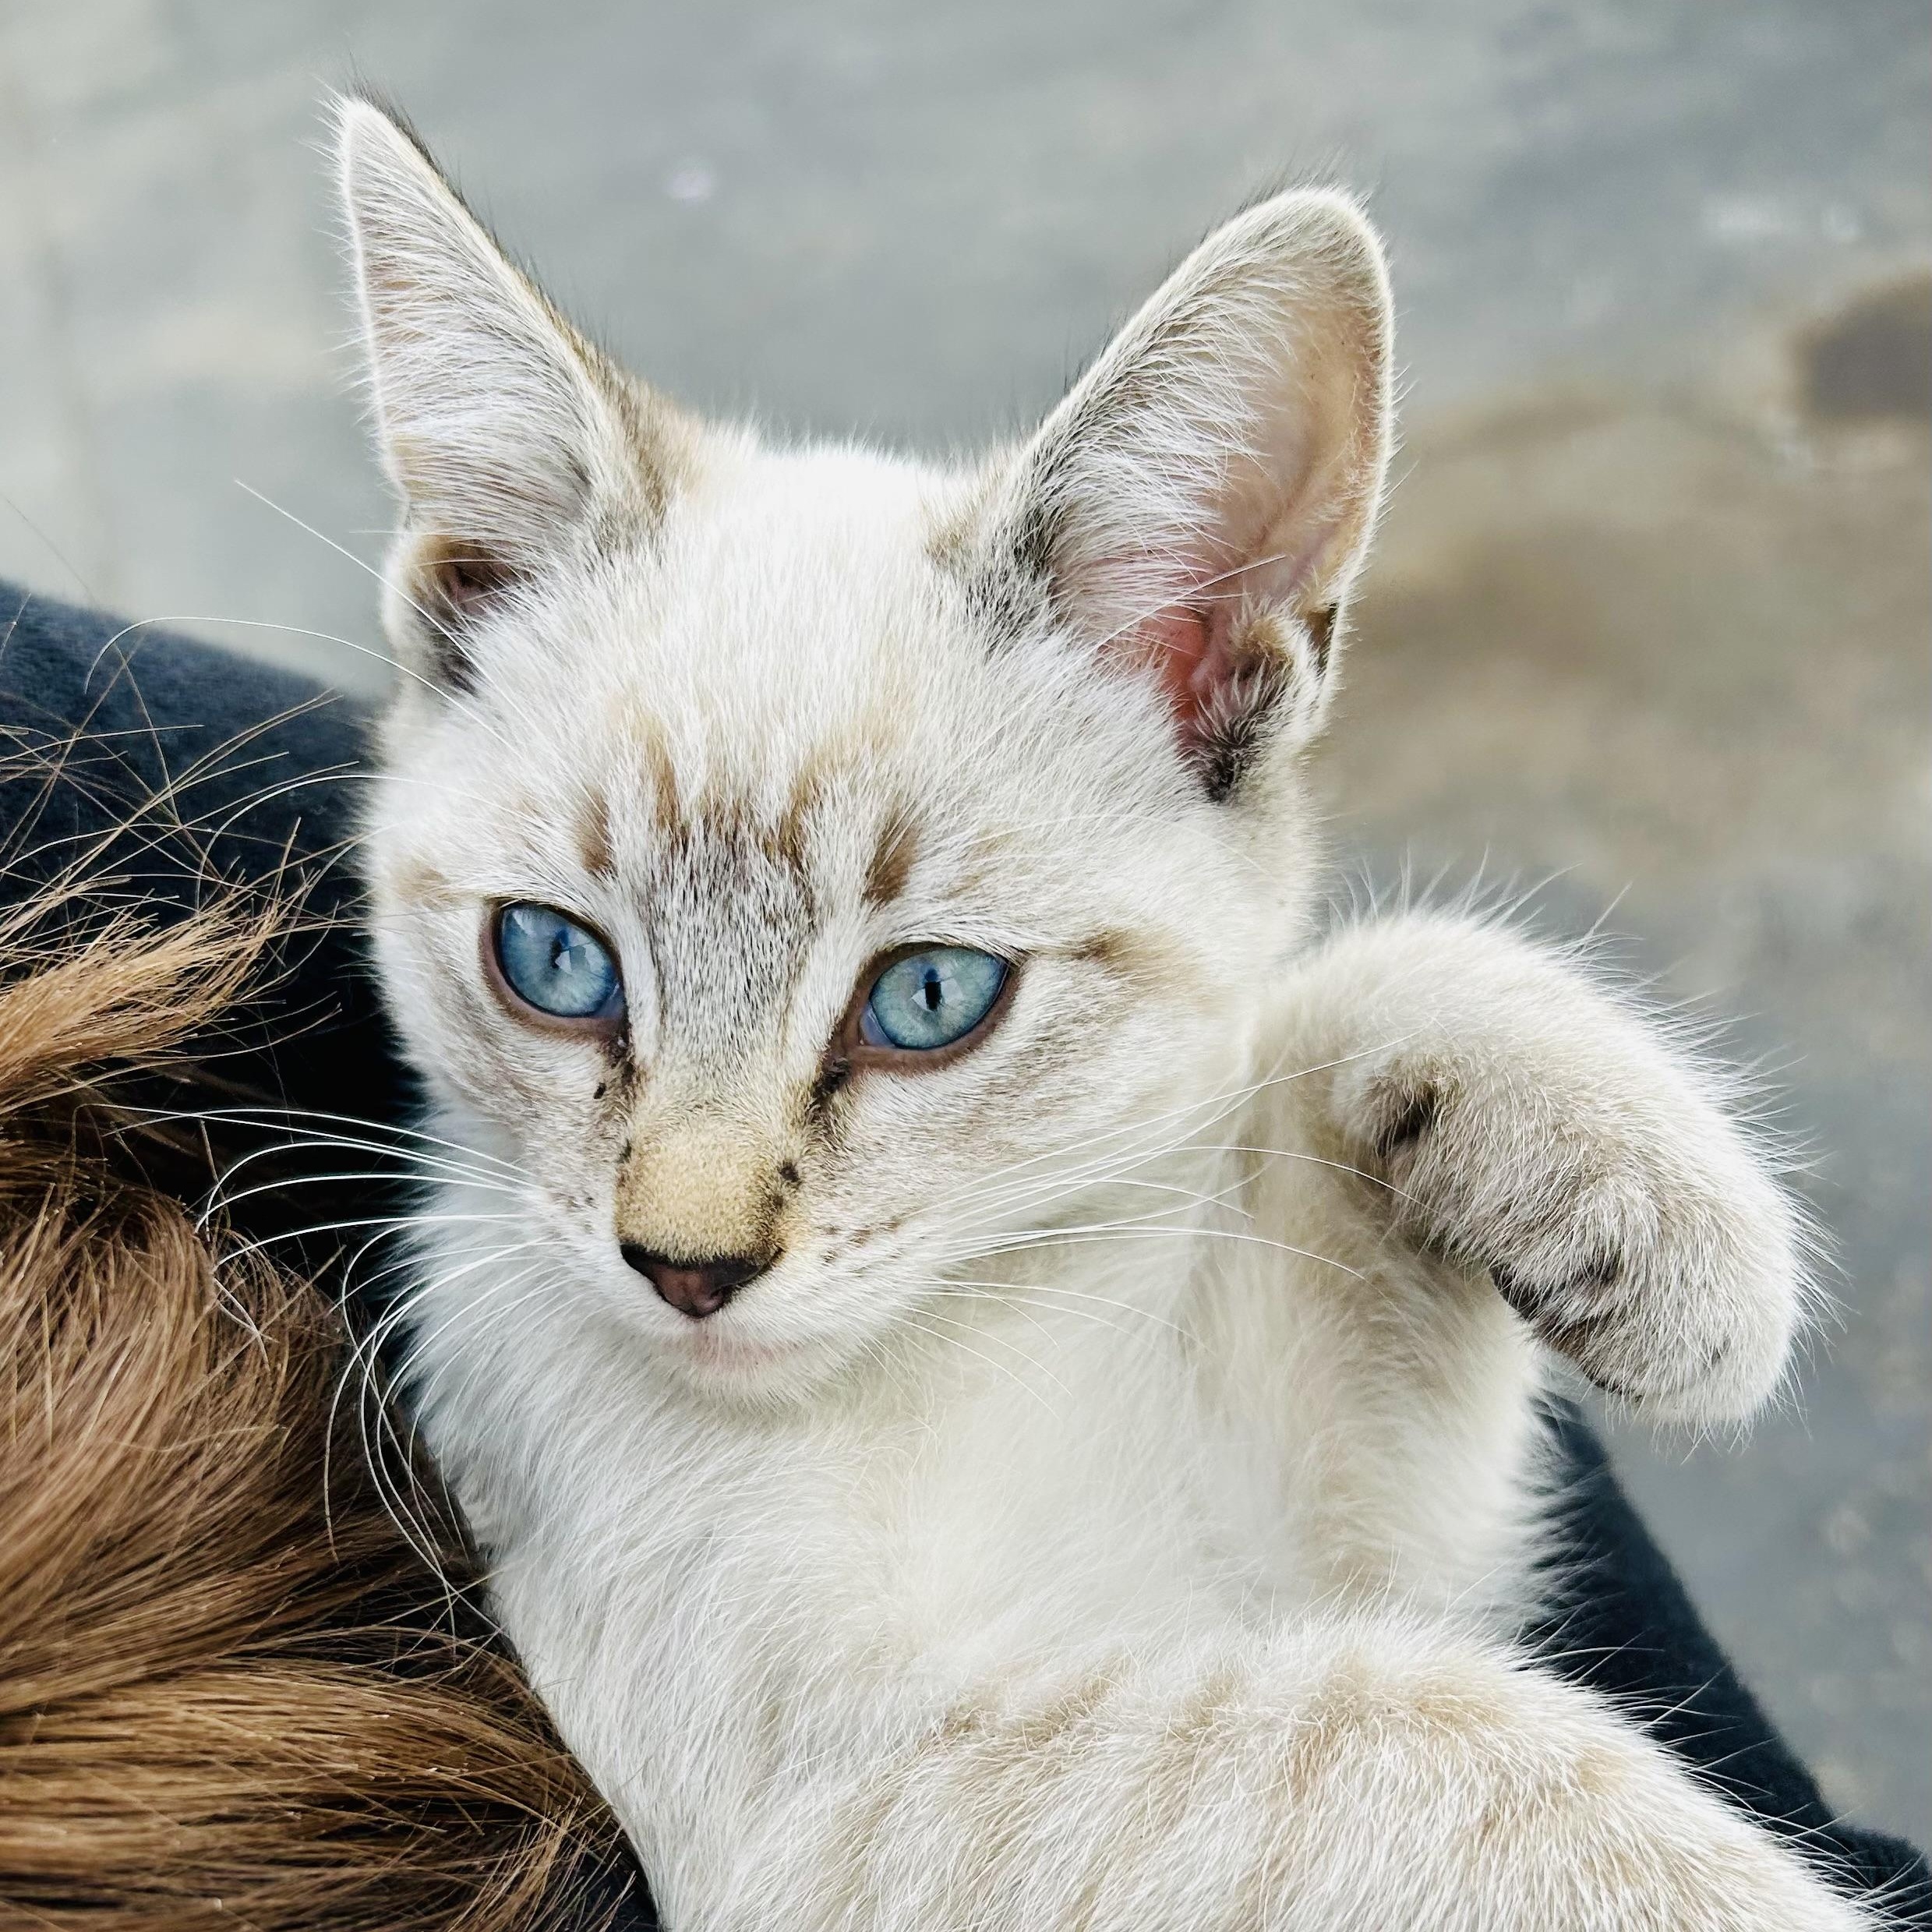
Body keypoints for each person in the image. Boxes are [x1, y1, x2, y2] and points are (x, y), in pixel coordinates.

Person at [2, 577, 1921, 1924]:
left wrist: (1375, 1063)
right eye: (557, 964)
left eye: (918, 996)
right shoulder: (528, 1346)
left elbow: (1343, 1563)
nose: (687, 1227)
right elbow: (820, 1865)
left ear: (1205, 689)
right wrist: (1455, 1781)